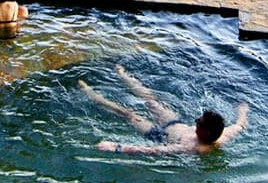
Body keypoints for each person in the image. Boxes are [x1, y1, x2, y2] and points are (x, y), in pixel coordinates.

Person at [80, 64, 248, 155]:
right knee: (151, 100)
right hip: (175, 123)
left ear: (206, 132)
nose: (196, 121)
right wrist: (242, 111)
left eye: (199, 122)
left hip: (159, 135)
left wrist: (117, 147)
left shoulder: (194, 148)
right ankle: (123, 75)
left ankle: (91, 94)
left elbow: (153, 150)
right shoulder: (223, 133)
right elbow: (239, 125)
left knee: (129, 114)